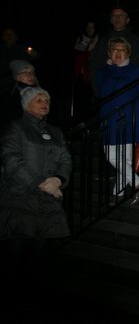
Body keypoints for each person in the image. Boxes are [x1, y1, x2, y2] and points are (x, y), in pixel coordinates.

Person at [0, 87, 71, 312]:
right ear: (26, 104)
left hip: (47, 204)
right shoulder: (16, 128)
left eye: (47, 99)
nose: (44, 102)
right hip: (20, 200)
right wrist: (43, 184)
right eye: (38, 99)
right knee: (15, 258)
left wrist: (59, 180)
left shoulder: (56, 132)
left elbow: (65, 159)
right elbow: (12, 161)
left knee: (39, 261)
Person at [96, 37, 139, 203]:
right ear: (109, 52)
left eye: (122, 50)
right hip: (109, 119)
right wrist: (112, 69)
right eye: (114, 50)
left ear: (128, 53)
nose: (118, 53)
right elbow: (104, 91)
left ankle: (118, 193)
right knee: (112, 156)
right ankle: (138, 184)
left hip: (129, 117)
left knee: (127, 159)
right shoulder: (103, 71)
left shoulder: (137, 71)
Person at [89, 6, 139, 93]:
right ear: (111, 20)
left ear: (127, 20)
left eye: (121, 15)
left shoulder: (137, 42)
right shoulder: (102, 42)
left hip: (128, 93)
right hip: (105, 94)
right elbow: (93, 65)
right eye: (114, 15)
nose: (117, 18)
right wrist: (98, 89)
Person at [2, 59, 39, 127]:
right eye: (25, 72)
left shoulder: (38, 91)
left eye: (31, 72)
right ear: (17, 77)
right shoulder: (14, 95)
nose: (30, 75)